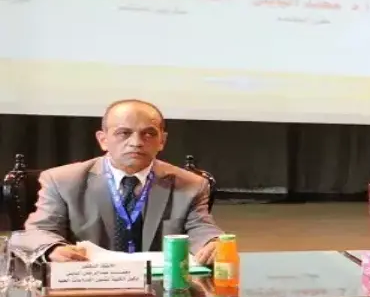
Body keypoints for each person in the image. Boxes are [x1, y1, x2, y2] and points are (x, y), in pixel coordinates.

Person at [12, 99, 223, 265]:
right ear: (103, 140)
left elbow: (201, 228)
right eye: (124, 133)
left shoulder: (191, 184)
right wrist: (53, 249)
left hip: (160, 287)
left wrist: (212, 243)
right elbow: (38, 232)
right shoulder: (62, 181)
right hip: (89, 284)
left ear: (162, 141)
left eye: (149, 134)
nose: (136, 142)